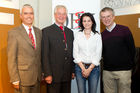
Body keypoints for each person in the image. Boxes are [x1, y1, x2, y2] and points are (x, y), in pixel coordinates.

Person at [7, 4, 42, 93]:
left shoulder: (39, 32)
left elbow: (39, 55)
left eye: (31, 13)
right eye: (26, 13)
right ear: (21, 16)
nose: (29, 16)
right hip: (22, 79)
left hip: (37, 78)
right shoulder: (13, 33)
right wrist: (14, 79)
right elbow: (11, 58)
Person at [100, 7, 136, 93]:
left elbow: (132, 49)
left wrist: (129, 66)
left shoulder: (125, 30)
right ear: (101, 19)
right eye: (103, 17)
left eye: (108, 16)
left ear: (113, 17)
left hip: (124, 71)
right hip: (107, 72)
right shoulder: (101, 35)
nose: (106, 19)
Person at [41, 5, 75, 93]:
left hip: (67, 75)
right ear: (55, 15)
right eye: (59, 13)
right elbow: (44, 54)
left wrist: (72, 70)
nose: (61, 16)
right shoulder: (46, 31)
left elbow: (71, 53)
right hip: (53, 76)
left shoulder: (70, 32)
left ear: (66, 15)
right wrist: (47, 74)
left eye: (64, 14)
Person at [73, 13, 102, 93]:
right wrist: (83, 68)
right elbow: (75, 53)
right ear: (81, 23)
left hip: (94, 69)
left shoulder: (97, 35)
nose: (86, 23)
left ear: (92, 22)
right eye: (84, 21)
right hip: (80, 68)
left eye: (89, 21)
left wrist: (89, 70)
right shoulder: (78, 35)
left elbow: (98, 54)